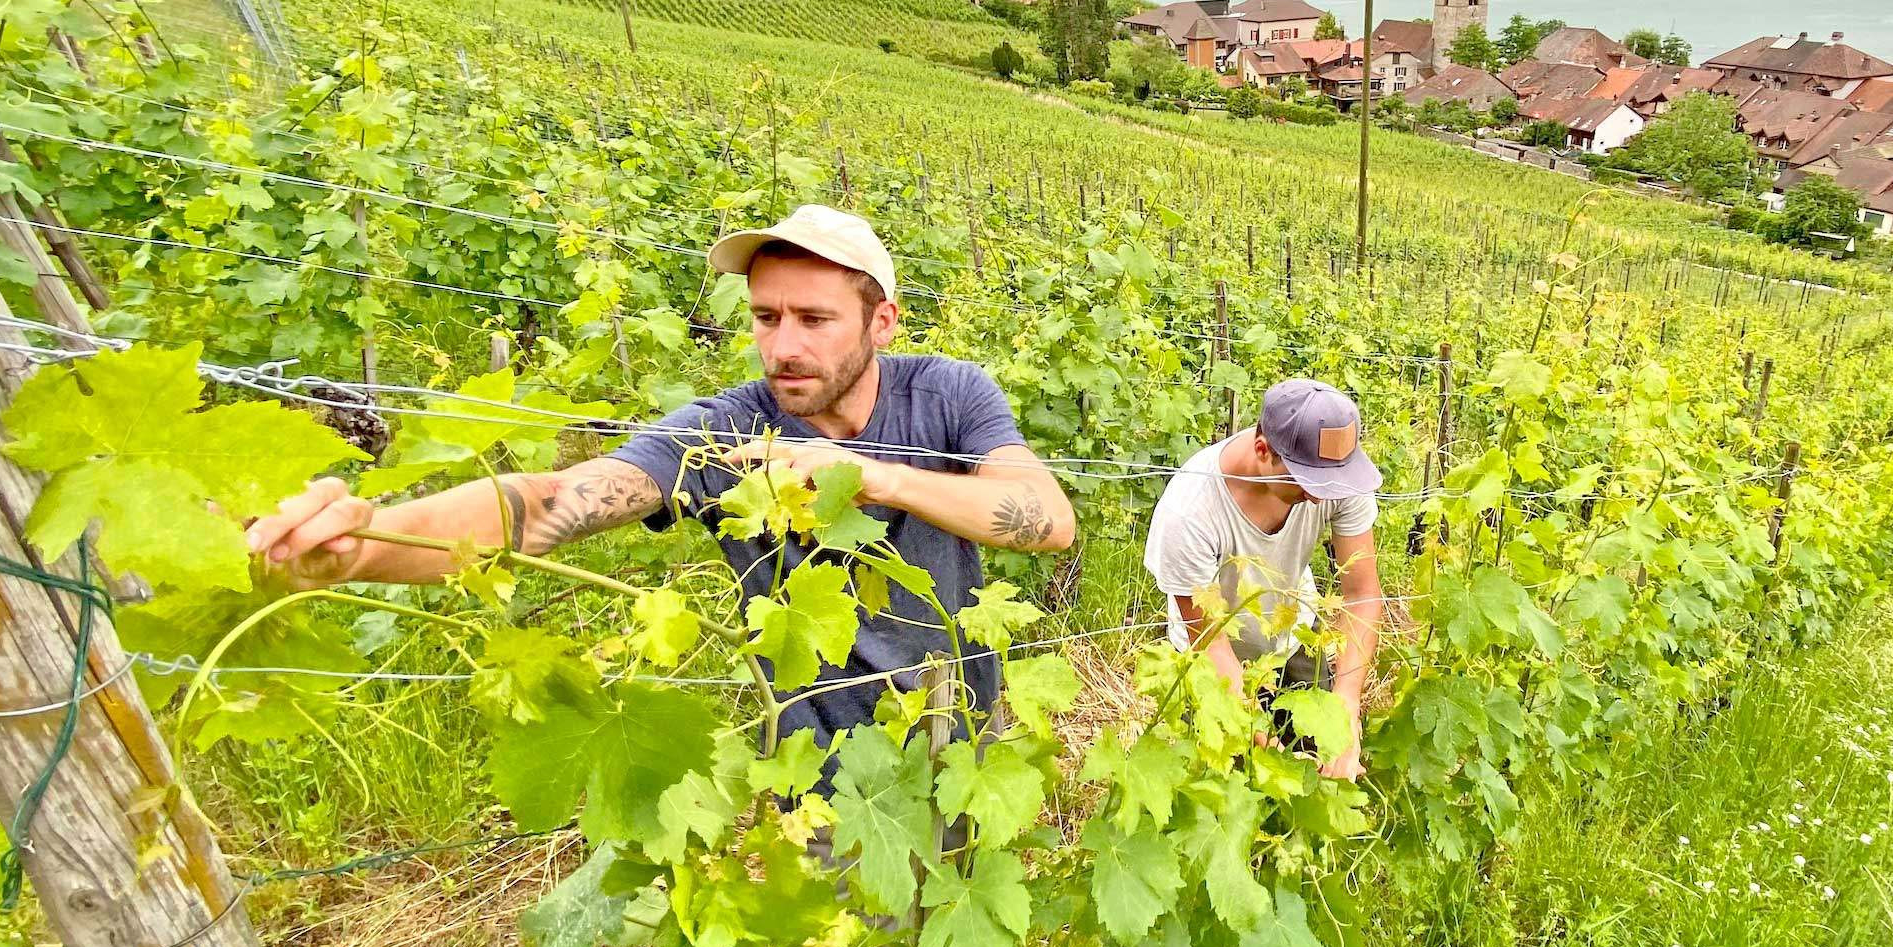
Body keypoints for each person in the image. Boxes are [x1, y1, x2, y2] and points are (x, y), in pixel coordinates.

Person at [243, 203, 1076, 747]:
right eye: (766, 316)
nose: (784, 345)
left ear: (881, 321)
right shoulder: (725, 433)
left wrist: (870, 476)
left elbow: (1047, 516)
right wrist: (363, 545)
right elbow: (551, 504)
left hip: (968, 733)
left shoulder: (949, 393)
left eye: (815, 318)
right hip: (827, 777)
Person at [1143, 379, 1384, 782]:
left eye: (1330, 482)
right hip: (1211, 660)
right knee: (1228, 785)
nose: (1321, 496)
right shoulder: (1189, 512)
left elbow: (1362, 593)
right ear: (1262, 450)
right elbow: (1210, 642)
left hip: (1293, 639)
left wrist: (1346, 704)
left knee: (1319, 777)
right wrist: (1269, 753)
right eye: (1307, 481)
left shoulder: (1336, 476)